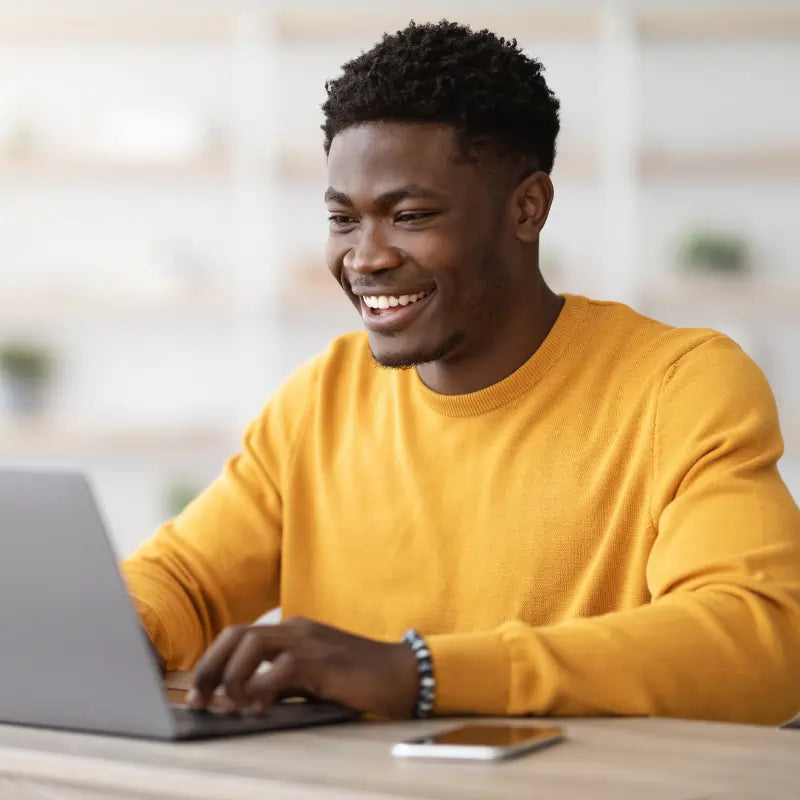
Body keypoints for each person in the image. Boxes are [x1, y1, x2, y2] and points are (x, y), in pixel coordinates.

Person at [122, 20, 800, 725]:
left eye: (410, 215)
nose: (365, 258)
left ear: (526, 208)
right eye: (343, 219)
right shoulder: (322, 397)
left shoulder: (679, 386)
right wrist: (125, 629)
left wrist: (418, 672)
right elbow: (182, 580)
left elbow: (761, 642)